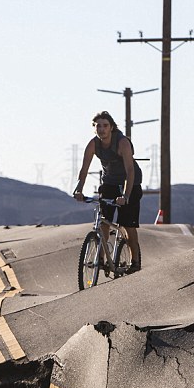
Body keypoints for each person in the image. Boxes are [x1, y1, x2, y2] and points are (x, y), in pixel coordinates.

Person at [73, 110, 143, 273]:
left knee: (128, 225)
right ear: (94, 128)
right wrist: (79, 189)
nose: (102, 129)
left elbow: (130, 171)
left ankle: (135, 262)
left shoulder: (122, 142)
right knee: (104, 221)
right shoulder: (93, 144)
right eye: (98, 126)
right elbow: (84, 169)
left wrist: (125, 195)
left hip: (130, 183)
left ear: (111, 128)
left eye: (105, 126)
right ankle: (101, 259)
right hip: (110, 183)